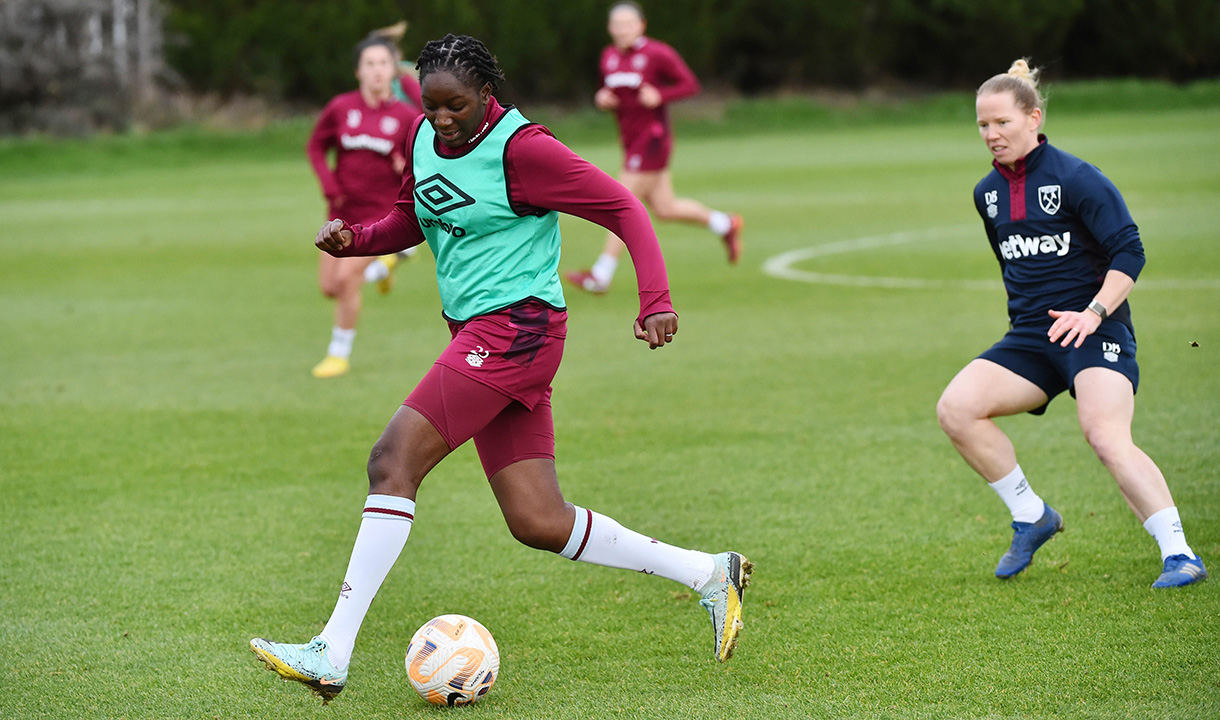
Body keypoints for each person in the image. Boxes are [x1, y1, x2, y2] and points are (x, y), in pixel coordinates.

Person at [251, 33, 752, 703]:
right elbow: (412, 215)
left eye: (456, 106)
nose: (442, 120)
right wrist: (358, 241)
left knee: (391, 460)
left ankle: (331, 650)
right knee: (537, 519)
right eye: (430, 106)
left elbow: (624, 208)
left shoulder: (524, 151)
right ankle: (708, 573)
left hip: (516, 330)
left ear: (487, 94)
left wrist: (655, 299)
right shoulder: (423, 136)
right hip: (485, 335)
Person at [936, 59, 1207, 589]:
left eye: (1002, 124)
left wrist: (1094, 313)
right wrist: (1030, 330)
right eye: (983, 126)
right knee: (956, 409)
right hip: (1035, 340)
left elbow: (1129, 253)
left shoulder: (1077, 178)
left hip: (1096, 330)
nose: (991, 135)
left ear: (1033, 118)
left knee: (1104, 434)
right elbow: (1015, 267)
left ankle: (1180, 554)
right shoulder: (985, 194)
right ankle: (1031, 516)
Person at [564, 1, 743, 295]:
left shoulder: (657, 53)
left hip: (653, 140)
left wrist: (661, 94)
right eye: (617, 25)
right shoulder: (608, 57)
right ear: (610, 29)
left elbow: (690, 85)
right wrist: (602, 99)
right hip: (631, 141)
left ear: (641, 25)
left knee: (620, 203)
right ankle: (726, 224)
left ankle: (601, 275)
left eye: (628, 24)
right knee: (665, 208)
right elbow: (607, 92)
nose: (622, 30)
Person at [305, 35, 422, 378]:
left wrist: (407, 169)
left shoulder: (406, 117)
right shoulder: (341, 108)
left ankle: (338, 354)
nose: (376, 71)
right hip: (342, 212)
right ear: (357, 70)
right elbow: (315, 146)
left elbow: (426, 159)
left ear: (394, 71)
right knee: (329, 287)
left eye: (383, 63)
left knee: (346, 280)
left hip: (380, 216)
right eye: (369, 64)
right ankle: (388, 266)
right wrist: (330, 187)